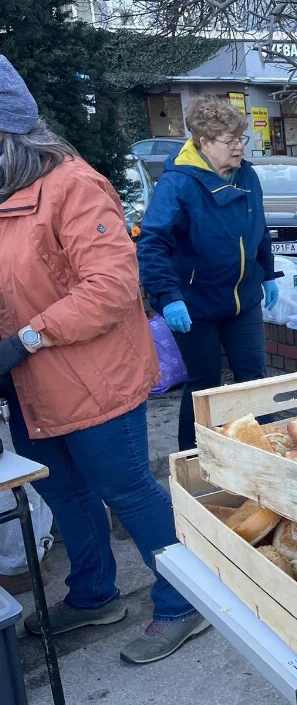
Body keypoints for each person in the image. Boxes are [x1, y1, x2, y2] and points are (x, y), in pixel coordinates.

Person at [0, 55, 208, 663]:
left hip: (95, 381)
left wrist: (27, 339)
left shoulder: (74, 187)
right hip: (33, 387)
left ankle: (185, 601)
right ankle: (94, 595)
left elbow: (112, 288)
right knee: (63, 492)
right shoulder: (6, 194)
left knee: (127, 489)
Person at [137, 99, 281, 451]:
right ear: (204, 142)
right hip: (194, 304)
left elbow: (257, 227)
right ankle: (194, 457)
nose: (239, 147)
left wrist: (268, 273)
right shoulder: (178, 184)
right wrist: (168, 297)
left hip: (242, 298)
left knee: (253, 380)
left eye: (241, 139)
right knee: (205, 385)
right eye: (229, 141)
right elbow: (152, 243)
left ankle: (267, 454)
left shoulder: (246, 174)